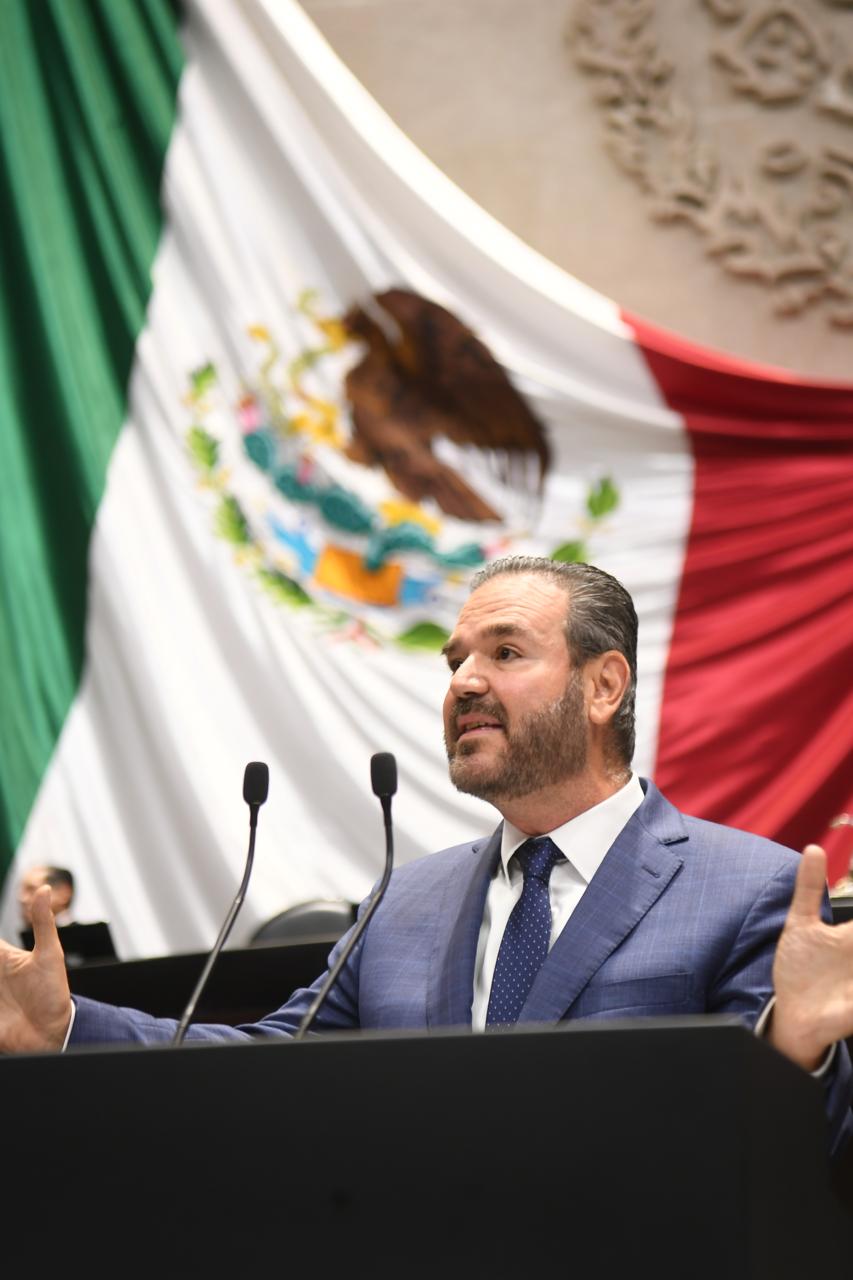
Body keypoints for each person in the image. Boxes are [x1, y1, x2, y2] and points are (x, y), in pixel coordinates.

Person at [2, 557, 853, 1156]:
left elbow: (797, 1156)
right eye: (455, 662)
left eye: (504, 653)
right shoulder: (402, 903)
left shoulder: (748, 889)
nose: (463, 683)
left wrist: (799, 1050)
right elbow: (264, 1070)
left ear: (603, 687)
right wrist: (66, 1027)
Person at [17, 865, 75, 933]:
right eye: (22, 891)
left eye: (31, 889)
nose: (22, 898)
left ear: (63, 893)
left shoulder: (83, 936)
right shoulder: (25, 936)